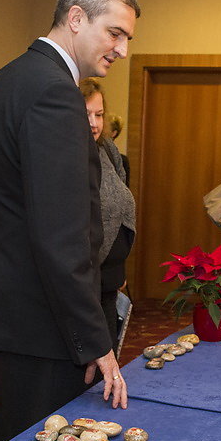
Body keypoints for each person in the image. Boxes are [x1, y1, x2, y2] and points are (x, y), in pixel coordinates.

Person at [0, 0, 140, 441]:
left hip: (15, 305)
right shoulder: (54, 91)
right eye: (116, 33)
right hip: (45, 319)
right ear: (77, 17)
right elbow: (62, 233)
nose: (122, 49)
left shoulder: (10, 77)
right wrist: (94, 339)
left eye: (127, 38)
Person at [80, 78, 135, 347]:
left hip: (109, 277)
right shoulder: (65, 155)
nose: (94, 123)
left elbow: (120, 204)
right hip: (84, 279)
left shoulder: (107, 149)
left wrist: (118, 267)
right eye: (85, 114)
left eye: (99, 115)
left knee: (108, 352)